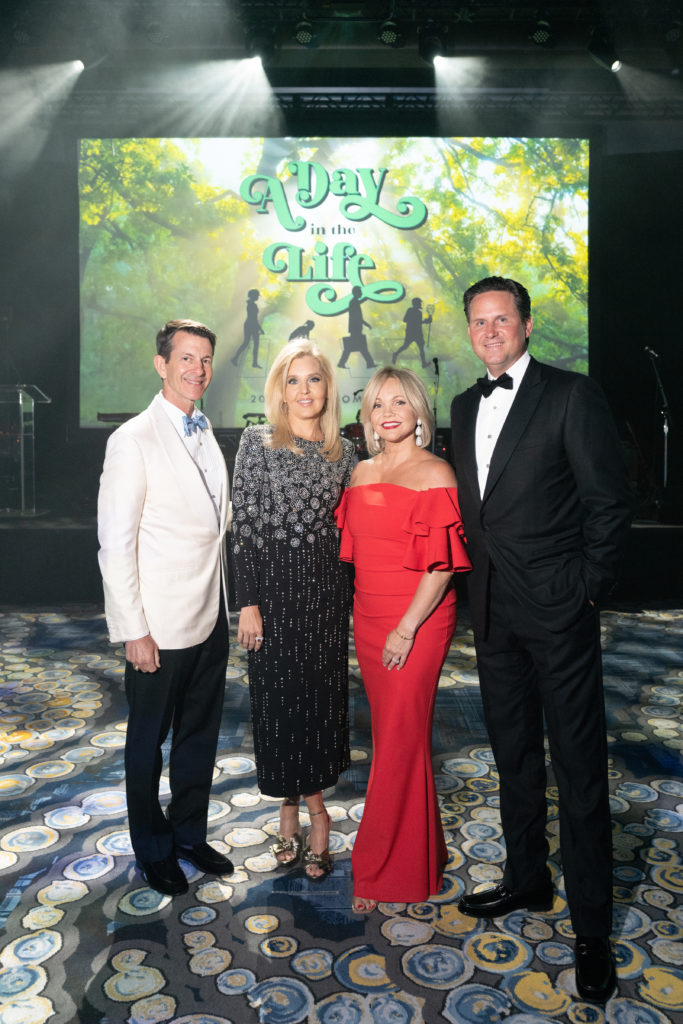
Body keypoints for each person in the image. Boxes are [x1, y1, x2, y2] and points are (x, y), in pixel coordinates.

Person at [450, 277, 633, 1003]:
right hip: (493, 615)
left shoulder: (570, 394)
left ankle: (592, 929)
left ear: (526, 325)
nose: (490, 331)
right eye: (479, 321)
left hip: (559, 613)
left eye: (502, 319)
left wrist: (586, 588)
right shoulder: (464, 406)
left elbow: (608, 502)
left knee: (579, 770)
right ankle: (525, 877)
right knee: (514, 757)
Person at [97, 319, 234, 897]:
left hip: (210, 616)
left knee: (199, 736)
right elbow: (115, 543)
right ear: (162, 365)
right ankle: (153, 849)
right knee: (147, 742)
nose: (197, 370)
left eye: (205, 359)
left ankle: (188, 834)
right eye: (185, 358)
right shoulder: (133, 438)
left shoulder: (205, 431)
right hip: (157, 627)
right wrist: (133, 629)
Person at [335, 367, 471, 912]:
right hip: (369, 620)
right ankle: (421, 857)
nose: (387, 412)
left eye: (399, 402)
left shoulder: (437, 471)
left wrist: (406, 627)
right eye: (377, 404)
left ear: (418, 412)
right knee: (400, 738)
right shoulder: (361, 473)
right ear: (367, 416)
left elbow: (442, 567)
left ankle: (377, 870)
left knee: (396, 740)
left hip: (417, 620)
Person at [231, 339, 356, 881]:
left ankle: (317, 811)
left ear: (328, 388)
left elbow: (353, 531)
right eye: (293, 380)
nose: (305, 390)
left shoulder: (345, 454)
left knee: (320, 707)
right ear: (279, 391)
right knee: (278, 706)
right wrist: (247, 603)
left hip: (326, 600)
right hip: (273, 601)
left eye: (314, 379)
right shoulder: (256, 443)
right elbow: (243, 528)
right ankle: (293, 808)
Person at [392, 297, 432, 367]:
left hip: (417, 332)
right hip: (411, 332)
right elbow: (405, 319)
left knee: (421, 348)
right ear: (416, 303)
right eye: (419, 303)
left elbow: (419, 322)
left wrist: (427, 319)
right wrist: (423, 321)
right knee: (405, 346)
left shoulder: (419, 312)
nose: (420, 304)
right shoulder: (410, 310)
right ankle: (395, 354)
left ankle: (423, 363)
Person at [232, 288, 265, 368]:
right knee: (252, 343)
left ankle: (237, 358)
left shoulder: (250, 304)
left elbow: (254, 318)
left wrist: (259, 328)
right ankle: (253, 362)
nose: (258, 297)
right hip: (251, 325)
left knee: (247, 343)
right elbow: (253, 318)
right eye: (257, 295)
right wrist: (260, 329)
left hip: (249, 325)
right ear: (254, 296)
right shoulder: (252, 305)